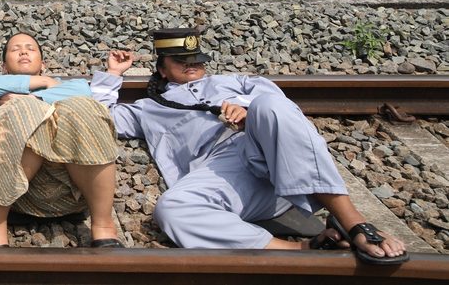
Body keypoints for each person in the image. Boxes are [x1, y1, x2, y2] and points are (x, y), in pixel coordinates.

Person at [102, 26, 409, 265]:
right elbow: (100, 118)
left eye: (196, 59)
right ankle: (301, 248)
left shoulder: (233, 81)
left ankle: (351, 221)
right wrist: (113, 75)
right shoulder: (148, 108)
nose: (191, 65)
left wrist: (248, 111)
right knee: (172, 209)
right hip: (222, 170)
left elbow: (279, 104)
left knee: (269, 106)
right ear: (162, 69)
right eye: (181, 61)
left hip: (269, 149)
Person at [0, 32, 125, 248]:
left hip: (70, 188)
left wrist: (36, 97)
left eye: (31, 49)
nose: (23, 51)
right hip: (14, 192)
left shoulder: (73, 86)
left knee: (83, 107)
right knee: (25, 108)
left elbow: (83, 93)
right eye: (15, 49)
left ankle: (104, 226)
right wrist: (43, 83)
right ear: (4, 67)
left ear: (43, 63)